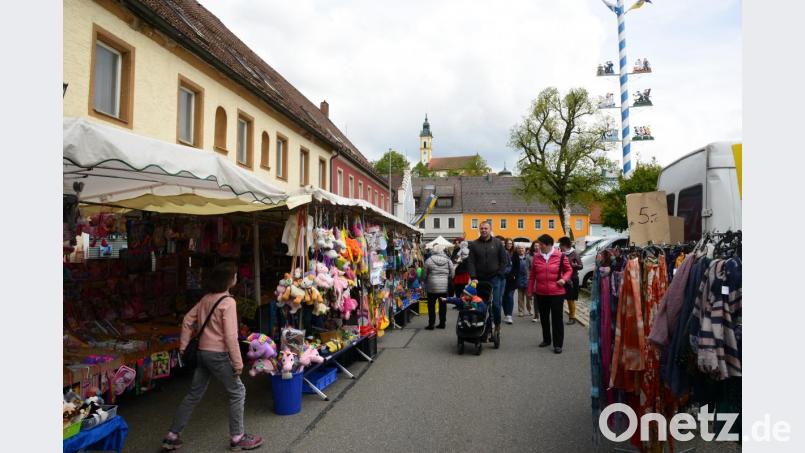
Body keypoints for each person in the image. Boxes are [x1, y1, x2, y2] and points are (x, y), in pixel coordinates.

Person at [162, 262, 263, 451]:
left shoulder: (206, 299)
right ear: (229, 280)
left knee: (193, 394)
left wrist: (183, 346)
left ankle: (172, 436)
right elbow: (231, 336)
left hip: (202, 353)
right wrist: (238, 362)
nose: (236, 278)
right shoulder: (228, 302)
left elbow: (187, 320)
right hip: (218, 355)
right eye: (234, 275)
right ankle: (237, 437)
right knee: (238, 391)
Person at [527, 234, 572, 354]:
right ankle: (546, 339)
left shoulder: (560, 256)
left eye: (541, 245)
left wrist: (564, 279)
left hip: (557, 292)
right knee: (544, 318)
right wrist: (530, 291)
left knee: (557, 319)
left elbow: (569, 270)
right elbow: (532, 276)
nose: (538, 247)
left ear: (548, 245)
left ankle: (558, 344)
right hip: (541, 293)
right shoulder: (536, 257)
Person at [465, 222, 509, 338]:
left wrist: (500, 273)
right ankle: (483, 327)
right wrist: (473, 277)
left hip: (495, 278)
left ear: (490, 229)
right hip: (479, 280)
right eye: (482, 228)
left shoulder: (497, 243)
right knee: (481, 304)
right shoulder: (474, 244)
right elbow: (471, 262)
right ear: (479, 230)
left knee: (495, 305)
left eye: (486, 228)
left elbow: (504, 260)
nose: (484, 230)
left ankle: (497, 324)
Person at [422, 244, 455, 330]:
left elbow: (424, 274)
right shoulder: (448, 260)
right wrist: (446, 278)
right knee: (443, 306)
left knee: (431, 306)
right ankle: (442, 323)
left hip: (432, 287)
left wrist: (425, 280)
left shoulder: (429, 260)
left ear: (433, 250)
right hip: (444, 287)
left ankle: (431, 324)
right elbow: (452, 273)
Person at [558, 236, 584, 325]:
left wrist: (575, 265)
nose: (559, 246)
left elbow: (581, 266)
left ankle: (572, 317)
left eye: (560, 244)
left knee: (570, 299)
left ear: (564, 245)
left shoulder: (574, 253)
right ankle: (559, 316)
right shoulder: (561, 254)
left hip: (572, 279)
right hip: (563, 279)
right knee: (560, 298)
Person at [513, 245, 533, 317]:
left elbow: (531, 268)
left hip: (528, 279)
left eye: (522, 248)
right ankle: (521, 311)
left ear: (525, 249)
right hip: (519, 279)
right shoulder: (515, 258)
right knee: (520, 297)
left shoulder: (528, 257)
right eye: (519, 248)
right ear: (517, 250)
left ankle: (530, 310)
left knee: (529, 296)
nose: (521, 249)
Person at [502, 238, 516, 324]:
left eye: (511, 243)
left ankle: (509, 315)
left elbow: (517, 266)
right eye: (508, 243)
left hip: (512, 278)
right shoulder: (502, 252)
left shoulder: (515, 254)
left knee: (510, 296)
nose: (509, 245)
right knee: (503, 296)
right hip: (503, 277)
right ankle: (506, 314)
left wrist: (515, 275)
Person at [528, 241, 540, 323]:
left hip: (543, 279)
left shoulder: (544, 255)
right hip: (534, 279)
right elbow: (527, 268)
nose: (537, 247)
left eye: (538, 245)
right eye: (535, 246)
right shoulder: (529, 256)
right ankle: (536, 315)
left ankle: (542, 313)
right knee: (536, 298)